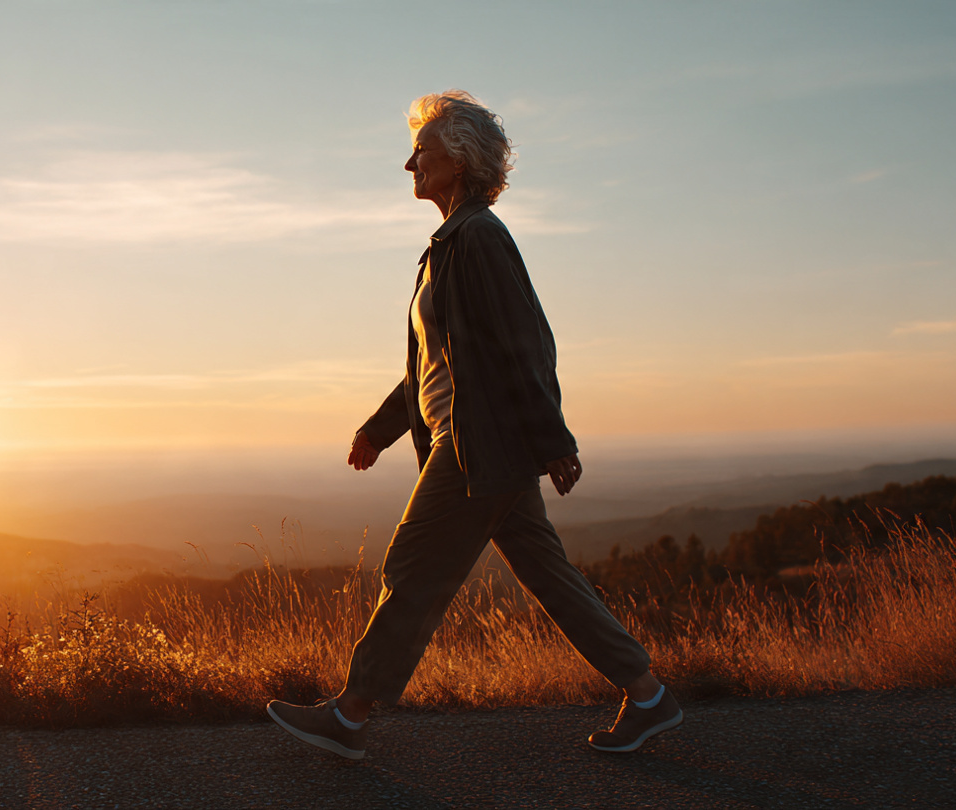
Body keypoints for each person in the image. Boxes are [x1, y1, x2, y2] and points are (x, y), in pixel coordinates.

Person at [266, 90, 682, 760]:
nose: (409, 164)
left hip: (475, 446)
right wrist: (379, 429)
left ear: (456, 162)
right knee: (549, 575)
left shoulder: (478, 238)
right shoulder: (454, 242)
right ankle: (651, 695)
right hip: (487, 445)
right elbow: (438, 365)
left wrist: (554, 441)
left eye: (422, 152)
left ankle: (349, 716)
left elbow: (525, 344)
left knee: (411, 567)